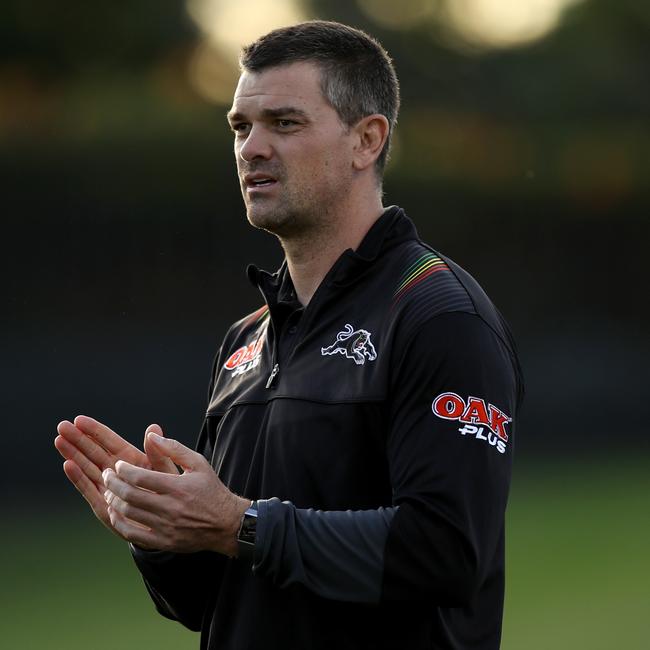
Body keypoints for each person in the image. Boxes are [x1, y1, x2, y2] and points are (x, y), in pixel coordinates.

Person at [55, 20, 523, 650]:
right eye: (241, 128)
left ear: (367, 140)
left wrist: (238, 524)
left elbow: (444, 553)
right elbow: (207, 603)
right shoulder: (246, 339)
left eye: (284, 123)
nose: (251, 148)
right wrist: (161, 530)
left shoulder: (438, 316)